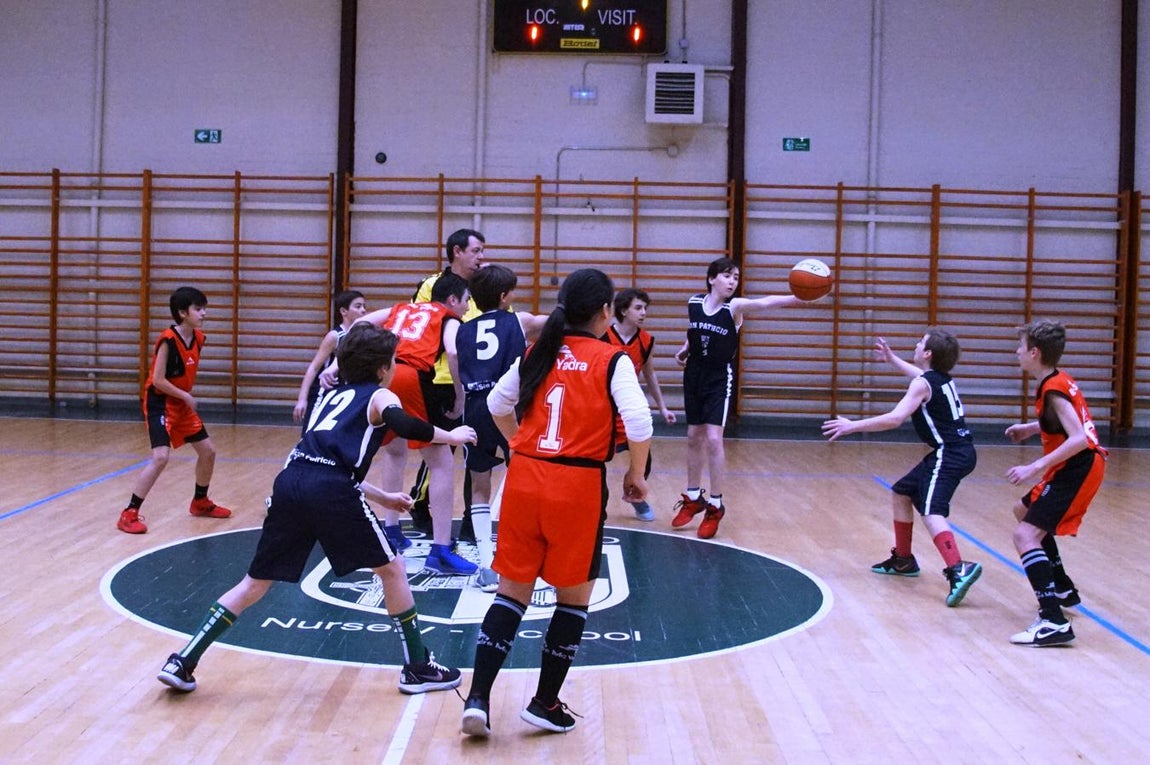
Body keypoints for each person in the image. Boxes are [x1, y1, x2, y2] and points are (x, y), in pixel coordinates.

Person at [156, 323, 476, 694]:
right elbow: (402, 424)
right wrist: (450, 435)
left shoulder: (327, 398)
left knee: (255, 582)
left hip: (292, 481)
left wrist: (385, 499)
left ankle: (183, 660)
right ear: (383, 369)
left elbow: (322, 463)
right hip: (329, 490)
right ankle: (418, 666)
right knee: (392, 569)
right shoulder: (378, 397)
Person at [460, 269, 653, 737]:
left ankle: (479, 700)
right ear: (606, 311)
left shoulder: (537, 352)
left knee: (510, 593)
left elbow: (495, 406)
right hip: (577, 486)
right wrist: (634, 474)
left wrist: (516, 448)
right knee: (572, 601)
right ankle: (544, 702)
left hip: (525, 480)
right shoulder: (612, 359)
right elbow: (640, 422)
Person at [821, 330, 982, 607]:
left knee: (932, 510)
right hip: (957, 451)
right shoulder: (939, 378)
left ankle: (958, 568)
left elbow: (895, 419)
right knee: (902, 492)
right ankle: (904, 560)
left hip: (950, 454)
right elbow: (919, 377)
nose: (917, 345)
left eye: (921, 342)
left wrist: (853, 426)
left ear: (928, 353)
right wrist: (893, 359)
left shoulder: (923, 384)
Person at [337, 272, 475, 574]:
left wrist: (339, 363)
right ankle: (440, 549)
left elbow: (359, 325)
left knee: (396, 451)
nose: (467, 307)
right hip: (411, 376)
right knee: (440, 461)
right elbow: (452, 350)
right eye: (466, 301)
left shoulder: (402, 308)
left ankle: (391, 530)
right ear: (452, 300)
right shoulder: (449, 318)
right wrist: (459, 394)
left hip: (383, 373)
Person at [670, 257, 809, 539]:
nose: (733, 281)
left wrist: (800, 298)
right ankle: (694, 496)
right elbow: (695, 333)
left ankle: (716, 505)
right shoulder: (694, 303)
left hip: (719, 377)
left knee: (712, 438)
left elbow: (767, 302)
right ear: (711, 279)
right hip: (694, 373)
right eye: (727, 276)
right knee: (692, 436)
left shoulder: (734, 308)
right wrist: (684, 351)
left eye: (736, 277)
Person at [1004, 319, 1107, 647]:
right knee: (1023, 513)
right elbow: (1068, 423)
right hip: (1075, 465)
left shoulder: (1053, 387)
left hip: (1077, 468)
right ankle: (1061, 586)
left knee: (1025, 536)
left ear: (1034, 352)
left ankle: (1052, 620)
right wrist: (1033, 428)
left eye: (1020, 346)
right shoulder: (1056, 379)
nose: (1016, 352)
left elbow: (1078, 438)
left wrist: (1035, 465)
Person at [455, 264, 547, 591]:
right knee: (524, 476)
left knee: (479, 483)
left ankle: (485, 563)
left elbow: (457, 371)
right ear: (505, 296)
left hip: (475, 406)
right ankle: (520, 556)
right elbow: (558, 324)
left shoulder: (462, 330)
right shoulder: (518, 320)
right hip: (508, 405)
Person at [116, 286, 232, 534]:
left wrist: (184, 397)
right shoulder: (168, 339)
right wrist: (185, 395)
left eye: (204, 308)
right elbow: (157, 380)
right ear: (182, 313)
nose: (204, 313)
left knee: (208, 451)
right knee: (160, 457)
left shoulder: (199, 338)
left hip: (180, 402)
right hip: (160, 401)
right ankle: (129, 513)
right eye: (198, 309)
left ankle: (200, 502)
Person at [408, 229, 488, 537]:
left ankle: (473, 516)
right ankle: (421, 501)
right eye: (476, 250)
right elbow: (419, 324)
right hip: (439, 379)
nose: (481, 257)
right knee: (442, 448)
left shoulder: (484, 286)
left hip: (479, 380)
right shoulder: (431, 285)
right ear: (457, 251)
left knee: (477, 448)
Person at [604, 287, 676, 521]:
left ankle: (636, 498)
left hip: (628, 409)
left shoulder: (646, 341)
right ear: (623, 310)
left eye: (645, 308)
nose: (643, 312)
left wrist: (662, 407)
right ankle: (597, 502)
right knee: (596, 459)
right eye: (638, 308)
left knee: (642, 461)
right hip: (603, 407)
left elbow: (650, 374)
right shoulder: (602, 335)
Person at [293, 289, 367, 434]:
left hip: (346, 393)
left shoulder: (362, 335)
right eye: (358, 306)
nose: (363, 310)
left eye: (364, 306)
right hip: (325, 392)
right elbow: (313, 368)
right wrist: (302, 399)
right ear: (344, 311)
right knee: (310, 434)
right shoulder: (335, 336)